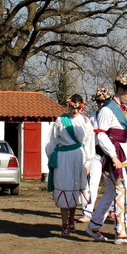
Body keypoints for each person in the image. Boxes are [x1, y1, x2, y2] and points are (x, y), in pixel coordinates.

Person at [85, 74, 127, 245]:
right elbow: (101, 135)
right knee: (123, 189)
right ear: (121, 89)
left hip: (121, 153)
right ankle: (121, 233)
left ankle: (94, 226)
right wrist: (113, 156)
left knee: (112, 191)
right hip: (111, 155)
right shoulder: (106, 110)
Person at [45, 94, 95, 236]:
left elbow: (89, 143)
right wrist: (52, 158)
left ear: (82, 107)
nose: (75, 111)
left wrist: (88, 162)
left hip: (79, 157)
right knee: (64, 187)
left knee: (75, 188)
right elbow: (51, 141)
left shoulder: (85, 121)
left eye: (78, 108)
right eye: (73, 108)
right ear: (68, 106)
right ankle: (64, 224)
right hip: (63, 158)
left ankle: (71, 221)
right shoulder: (60, 120)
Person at [78, 88, 112, 224]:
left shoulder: (113, 115)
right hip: (96, 152)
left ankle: (112, 209)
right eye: (98, 101)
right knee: (93, 182)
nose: (101, 104)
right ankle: (87, 211)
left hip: (110, 153)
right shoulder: (92, 117)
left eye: (103, 101)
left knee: (113, 183)